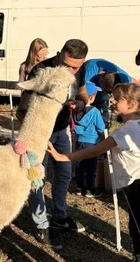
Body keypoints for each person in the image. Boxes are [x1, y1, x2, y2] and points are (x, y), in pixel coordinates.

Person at [49, 83, 140, 262]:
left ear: (131, 104)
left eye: (117, 99)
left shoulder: (125, 132)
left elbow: (94, 151)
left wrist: (62, 157)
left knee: (137, 231)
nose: (111, 101)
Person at [18, 39, 88, 249]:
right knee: (37, 177)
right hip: (41, 135)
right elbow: (24, 107)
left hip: (62, 129)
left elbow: (82, 92)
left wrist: (81, 103)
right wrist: (36, 134)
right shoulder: (42, 70)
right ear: (59, 55)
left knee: (64, 173)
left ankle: (60, 215)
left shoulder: (80, 70)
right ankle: (41, 224)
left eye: (75, 67)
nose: (71, 70)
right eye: (67, 65)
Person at [73, 81, 105, 197]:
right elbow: (101, 127)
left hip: (79, 141)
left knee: (80, 165)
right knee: (91, 167)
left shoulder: (75, 110)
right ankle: (90, 189)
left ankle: (79, 187)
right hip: (92, 143)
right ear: (91, 98)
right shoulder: (95, 112)